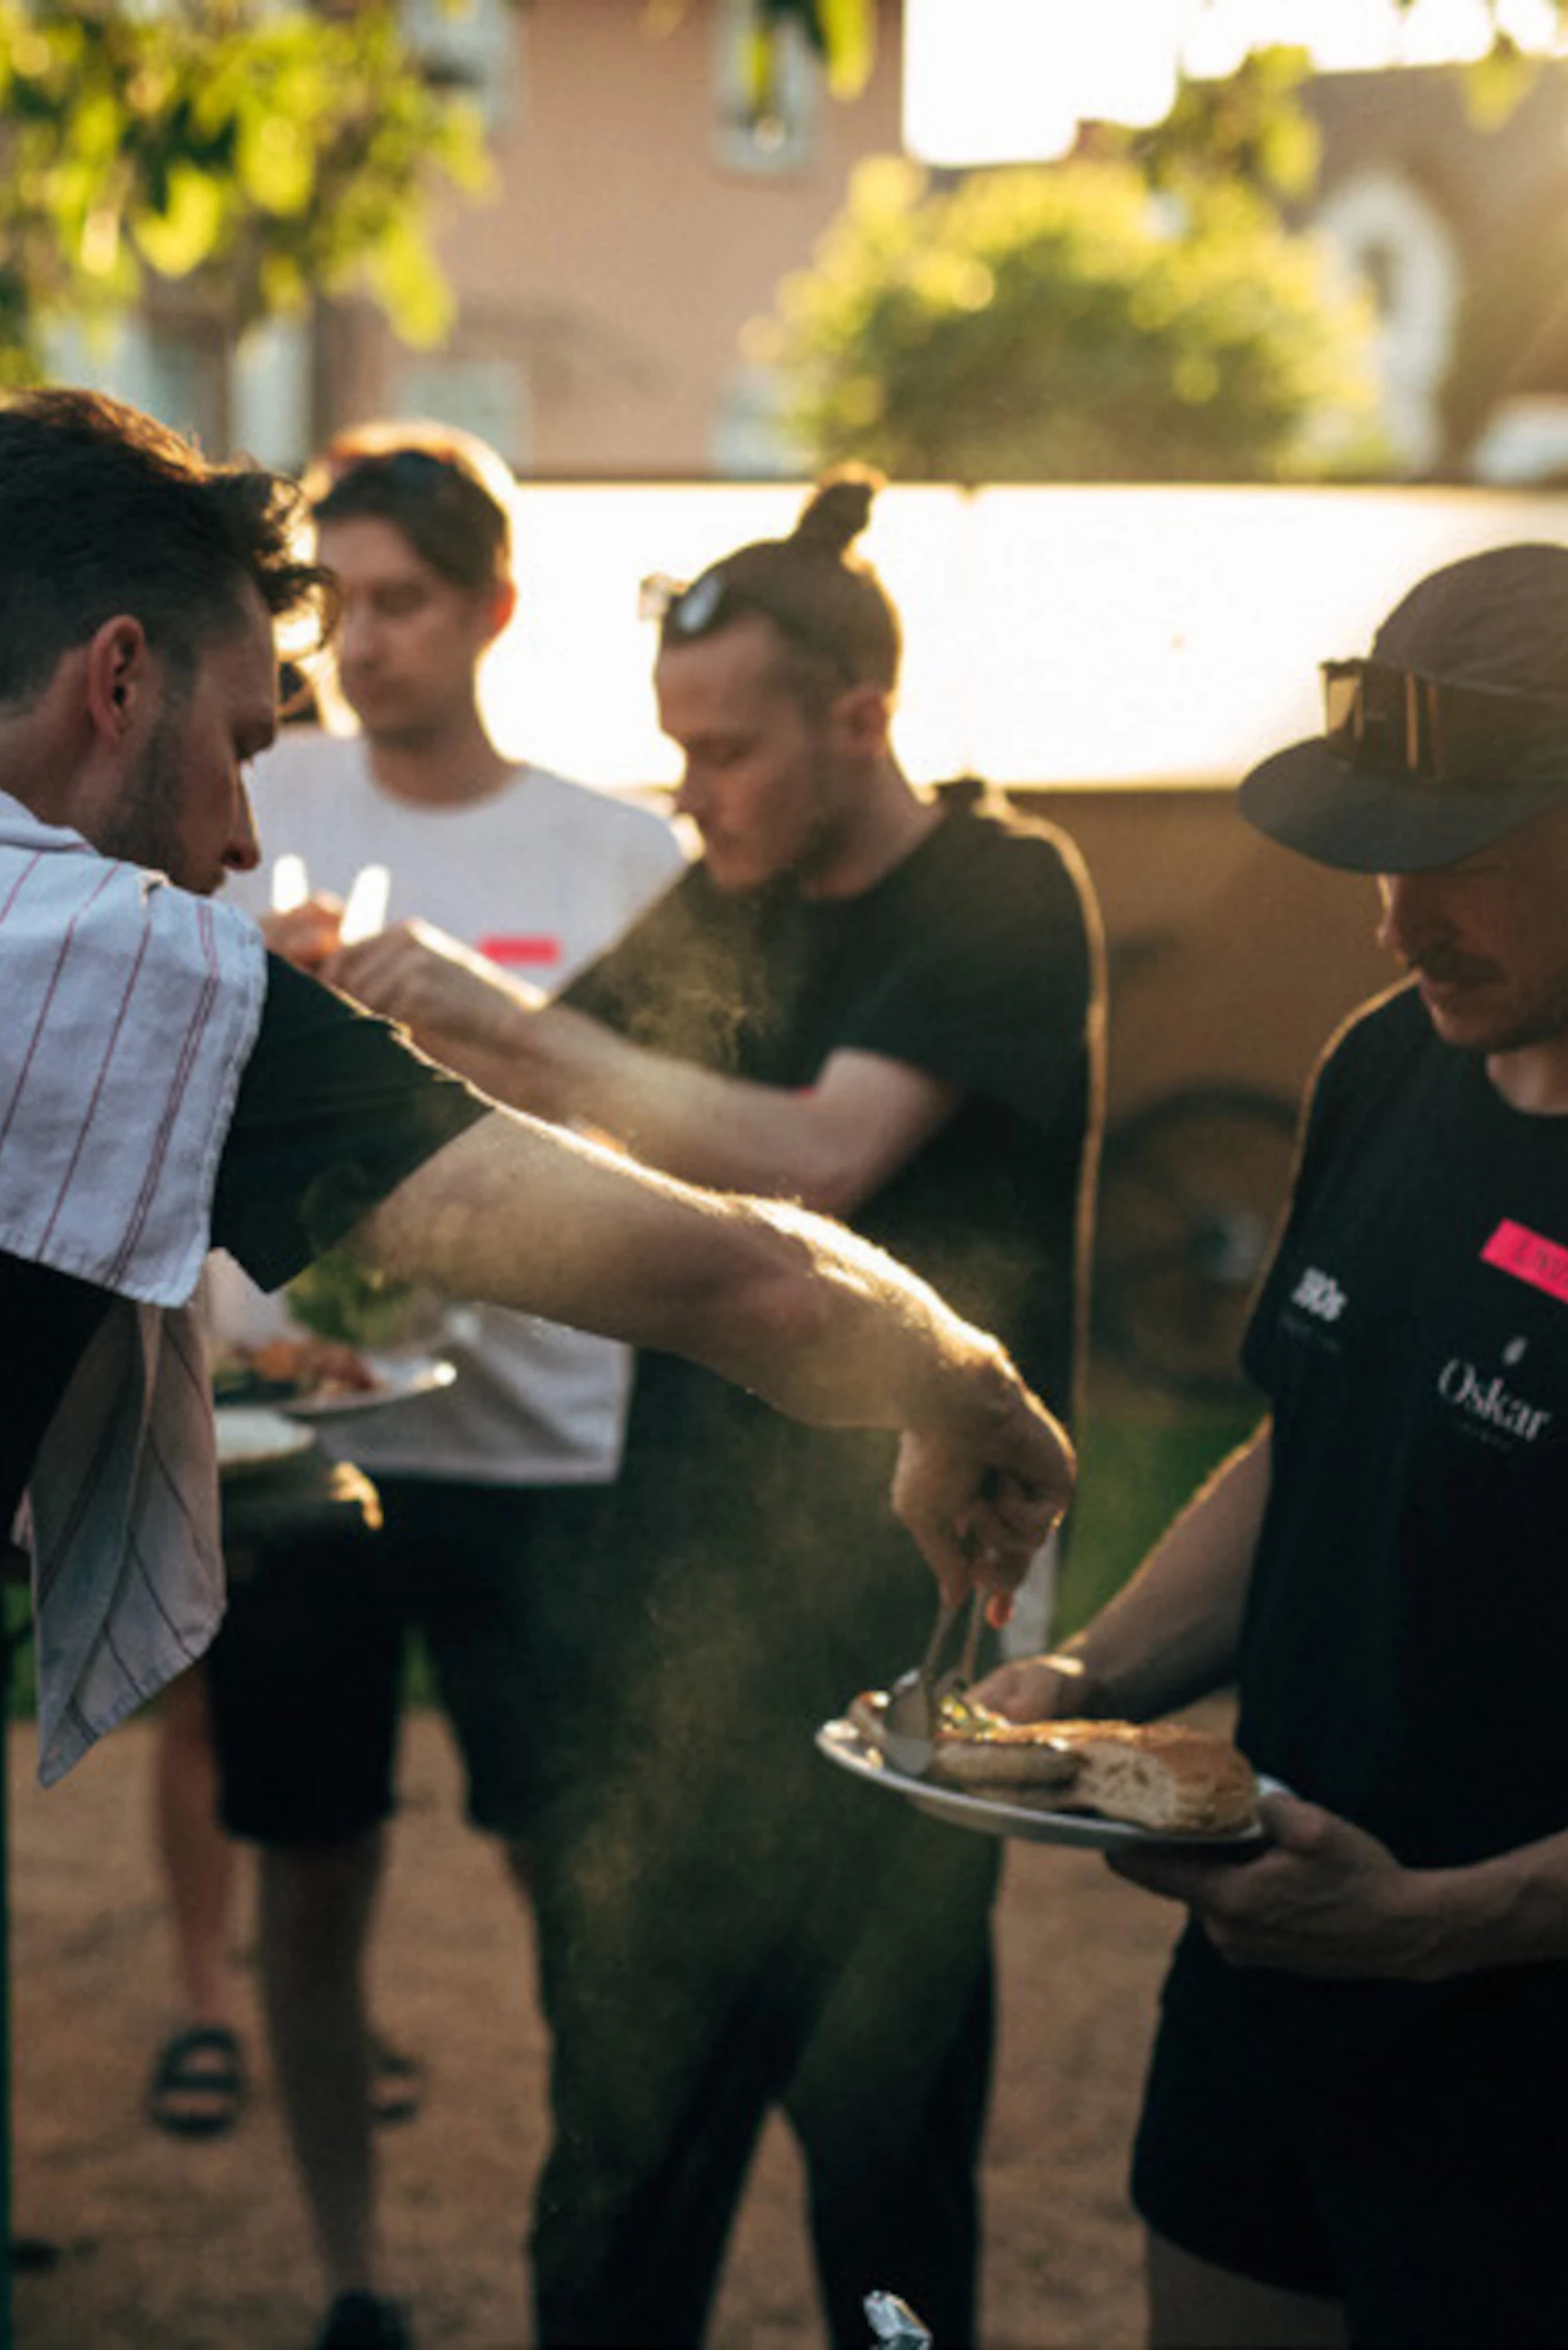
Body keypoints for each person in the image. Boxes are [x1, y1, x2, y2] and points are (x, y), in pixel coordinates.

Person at [0, 390, 1074, 2342]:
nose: (241, 833)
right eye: (241, 750)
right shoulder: (98, 960)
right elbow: (728, 1279)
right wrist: (957, 1376)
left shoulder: (966, 890)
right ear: (117, 678)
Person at [981, 541, 1568, 2350]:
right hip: (1266, 1978)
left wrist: (1437, 1920)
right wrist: (1077, 1682)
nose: (1400, 920)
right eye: (1385, 854)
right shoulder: (1389, 1061)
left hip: (1559, 2064)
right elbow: (1311, 1446)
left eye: (1470, 859)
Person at [299, 468, 1103, 2346]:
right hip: (669, 1601)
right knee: (623, 2136)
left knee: (887, 2141)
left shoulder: (997, 891)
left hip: (910, 1604)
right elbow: (529, 1111)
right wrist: (359, 1035)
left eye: (726, 753)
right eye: (675, 751)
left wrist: (506, 1019)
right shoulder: (730, 886)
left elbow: (820, 1155)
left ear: (861, 721)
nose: (694, 793)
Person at [189, 423, 685, 2335]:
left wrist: (496, 1026)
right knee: (313, 1869)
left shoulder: (616, 848)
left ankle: (603, 2259)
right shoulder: (248, 796)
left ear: (493, 608)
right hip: (299, 1433)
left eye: (403, 601)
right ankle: (355, 2276)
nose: (365, 640)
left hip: (548, 1440)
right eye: (337, 603)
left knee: (575, 1873)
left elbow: (675, 1135)